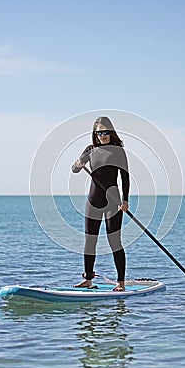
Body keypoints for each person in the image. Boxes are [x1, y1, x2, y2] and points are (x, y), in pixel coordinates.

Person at [72, 116, 130, 291]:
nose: (102, 136)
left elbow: (125, 177)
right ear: (95, 134)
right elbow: (75, 169)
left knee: (115, 242)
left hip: (113, 203)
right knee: (90, 241)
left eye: (105, 132)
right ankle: (88, 278)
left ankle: (120, 282)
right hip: (93, 201)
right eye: (99, 133)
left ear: (111, 132)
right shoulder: (90, 150)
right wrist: (77, 164)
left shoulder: (118, 151)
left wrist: (125, 200)